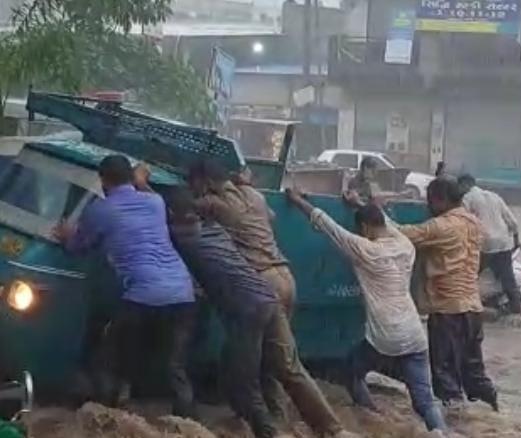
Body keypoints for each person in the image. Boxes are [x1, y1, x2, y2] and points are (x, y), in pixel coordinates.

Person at [167, 187, 357, 438]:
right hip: (268, 299)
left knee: (245, 382)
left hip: (247, 310)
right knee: (289, 367)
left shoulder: (181, 236)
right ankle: (334, 430)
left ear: (171, 213)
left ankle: (269, 433)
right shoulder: (217, 230)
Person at [285, 189, 446, 432]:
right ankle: (441, 432)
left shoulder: (366, 250)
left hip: (384, 337)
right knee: (424, 400)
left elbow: (329, 226)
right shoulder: (405, 245)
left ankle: (370, 413)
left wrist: (297, 201)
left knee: (351, 372)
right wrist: (359, 203)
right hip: (414, 335)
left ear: (366, 229)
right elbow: (388, 224)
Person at [53, 155, 197, 418]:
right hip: (182, 292)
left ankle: (107, 416)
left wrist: (65, 236)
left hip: (142, 295)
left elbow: (78, 247)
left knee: (108, 357)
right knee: (174, 366)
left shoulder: (100, 209)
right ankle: (187, 423)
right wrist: (140, 181)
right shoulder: (155, 202)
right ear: (131, 177)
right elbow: (147, 198)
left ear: (103, 180)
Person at [189, 160, 296, 420]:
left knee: (248, 357)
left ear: (205, 182)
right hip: (285, 278)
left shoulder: (215, 204)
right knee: (276, 357)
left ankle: (255, 417)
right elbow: (271, 216)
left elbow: (181, 208)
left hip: (261, 282)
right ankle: (277, 415)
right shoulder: (254, 195)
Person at [399, 177, 498, 411]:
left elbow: (401, 234)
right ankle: (493, 413)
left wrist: (370, 210)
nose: (428, 207)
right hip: (473, 309)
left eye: (429, 201)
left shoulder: (441, 226)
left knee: (445, 375)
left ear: (439, 200)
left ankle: (455, 424)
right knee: (474, 372)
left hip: (447, 310)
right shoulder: (475, 224)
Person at [458, 174, 521, 317]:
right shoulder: (494, 196)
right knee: (508, 278)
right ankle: (517, 307)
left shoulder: (467, 199)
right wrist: (516, 241)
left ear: (464, 185)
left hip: (484, 244)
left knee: (470, 275)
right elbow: (512, 221)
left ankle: (466, 306)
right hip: (503, 242)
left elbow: (462, 222)